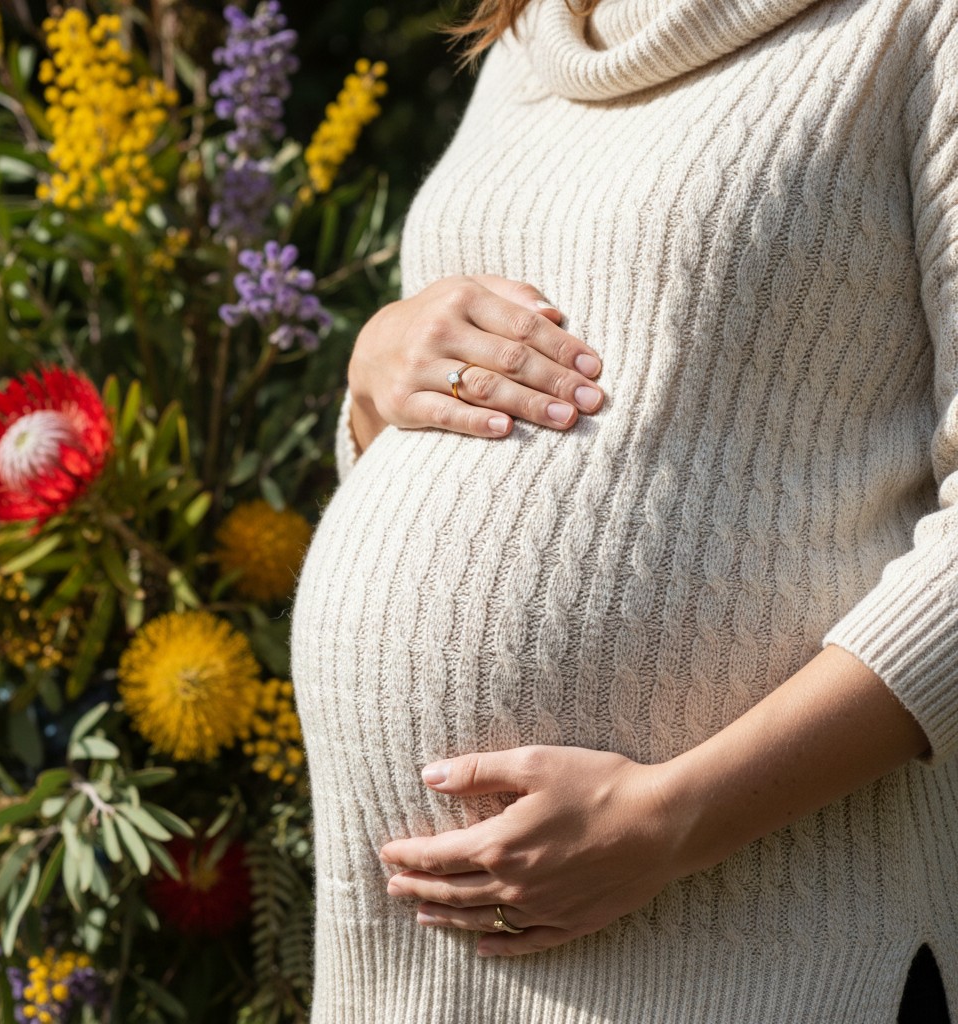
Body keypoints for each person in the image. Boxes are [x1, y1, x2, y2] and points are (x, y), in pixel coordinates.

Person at [288, 0, 958, 1019]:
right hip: (408, 959)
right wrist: (376, 377)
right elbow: (462, 429)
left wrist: (674, 819)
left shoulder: (915, 26)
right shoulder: (525, 37)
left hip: (760, 951)